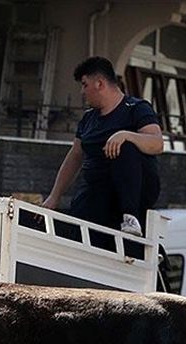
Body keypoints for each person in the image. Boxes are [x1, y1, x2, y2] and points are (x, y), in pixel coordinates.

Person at [40, 56, 162, 236]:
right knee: (78, 217)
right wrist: (54, 197)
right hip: (98, 189)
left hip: (132, 186)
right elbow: (75, 156)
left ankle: (130, 216)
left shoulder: (136, 108)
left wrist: (125, 135)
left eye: (84, 84)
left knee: (125, 146)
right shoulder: (89, 118)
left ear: (99, 83)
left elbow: (157, 143)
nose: (82, 91)